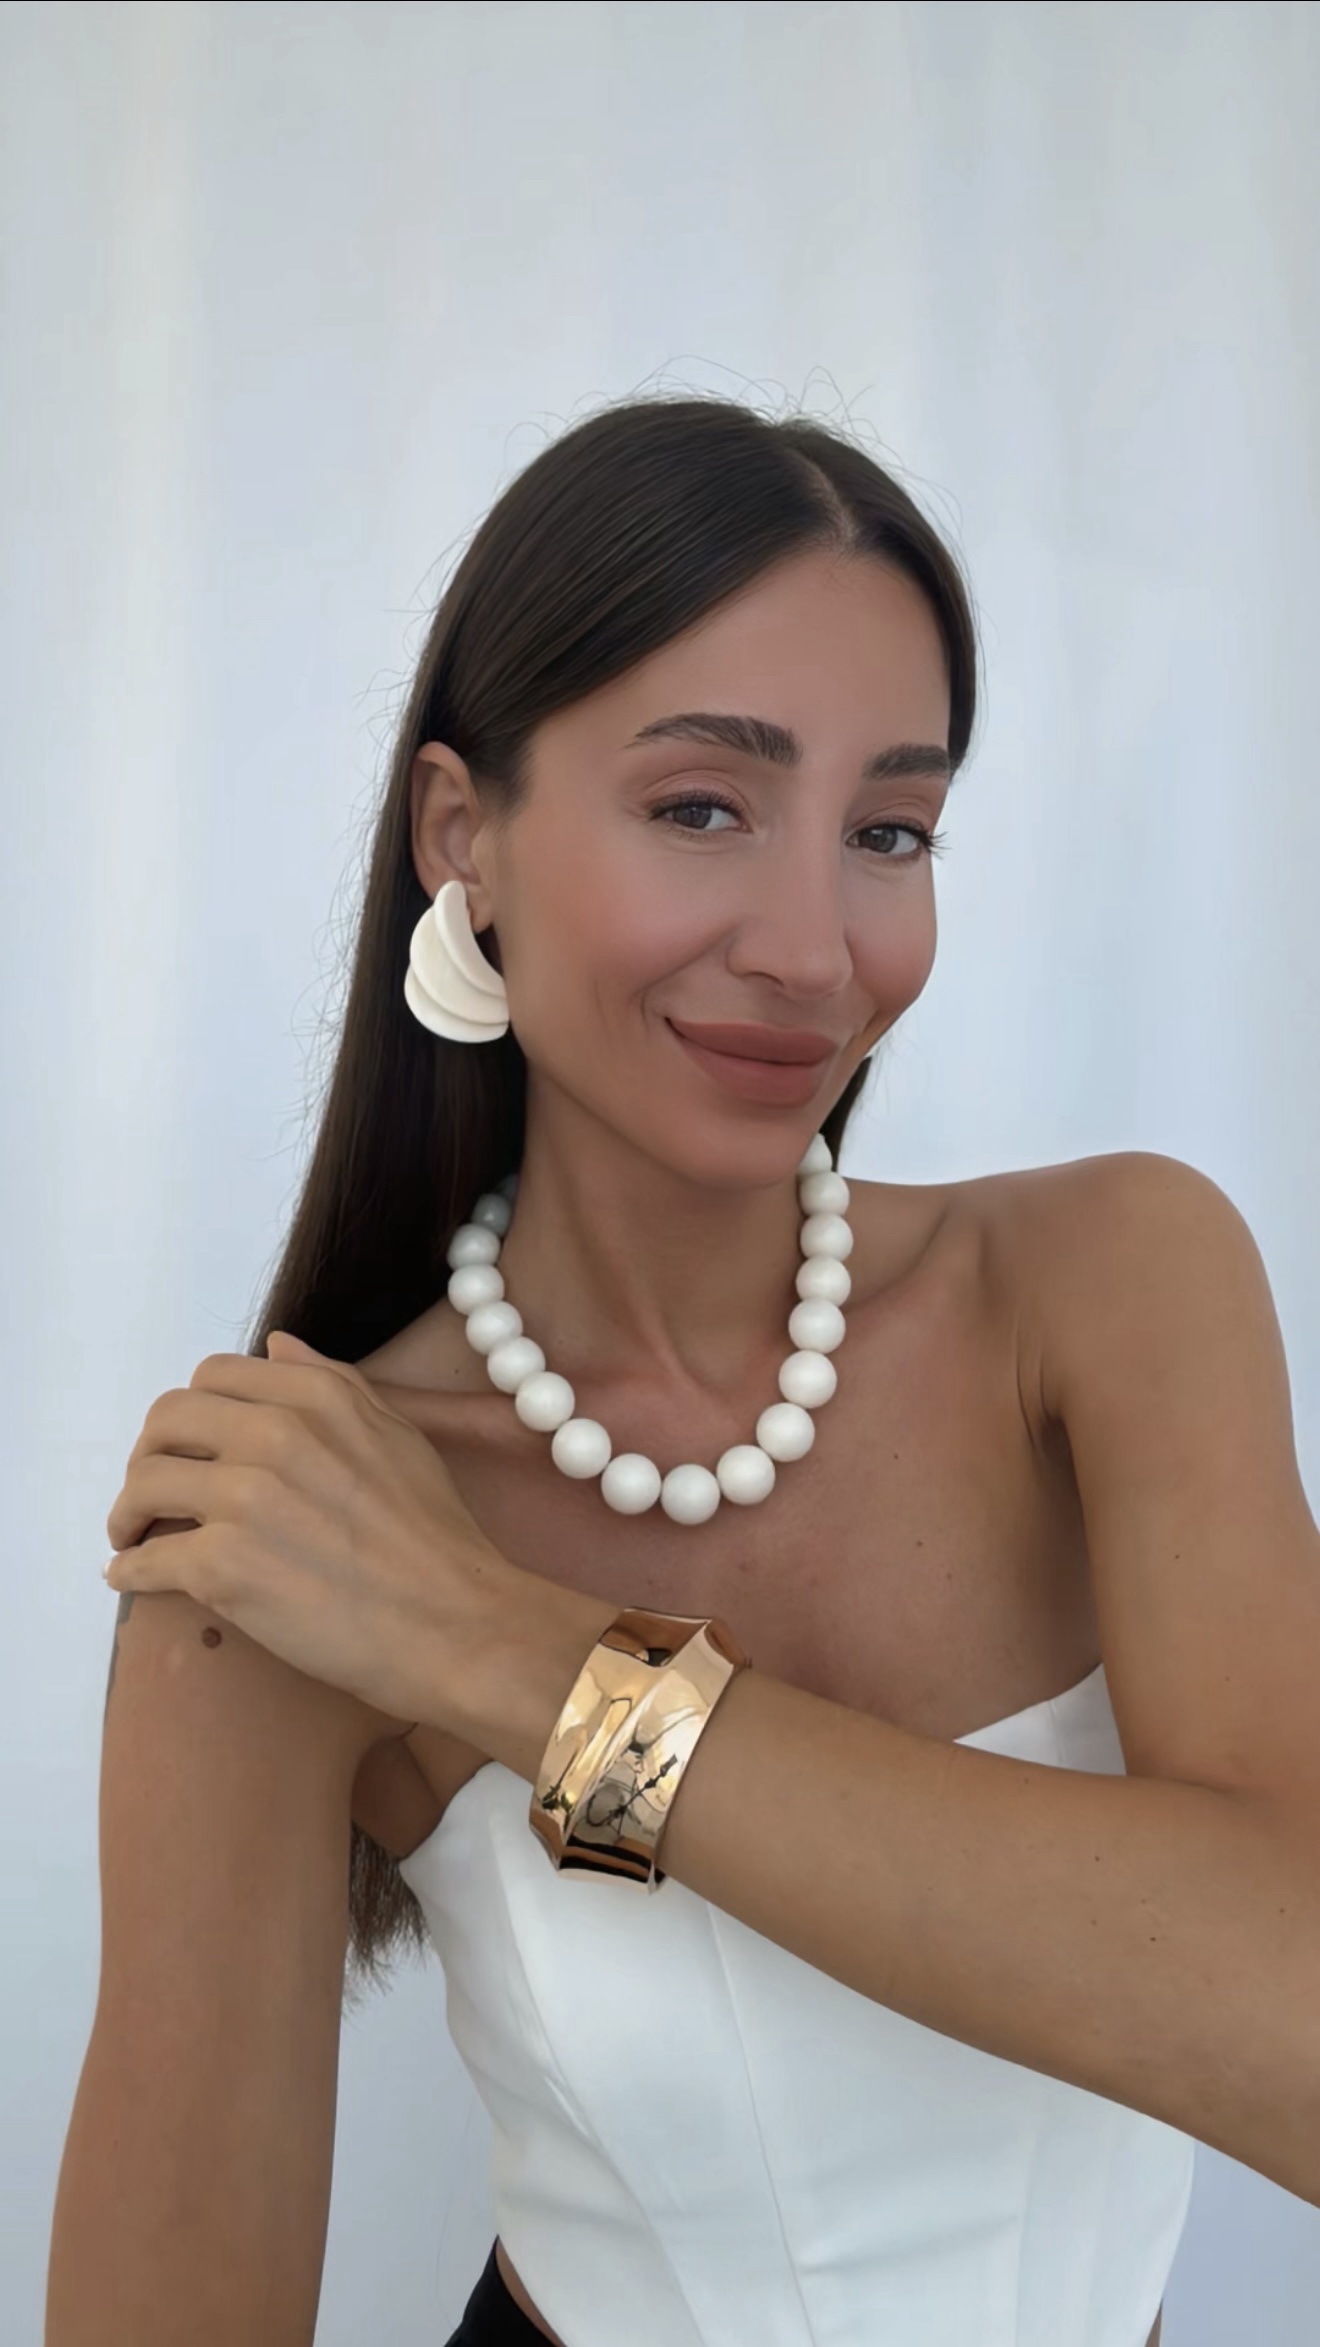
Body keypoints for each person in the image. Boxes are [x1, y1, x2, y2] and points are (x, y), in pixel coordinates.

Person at [51, 395, 1320, 2346]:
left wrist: (507, 1653)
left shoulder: (1115, 1286)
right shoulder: (292, 1543)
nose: (814, 948)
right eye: (703, 807)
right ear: (463, 834)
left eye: (888, 831)